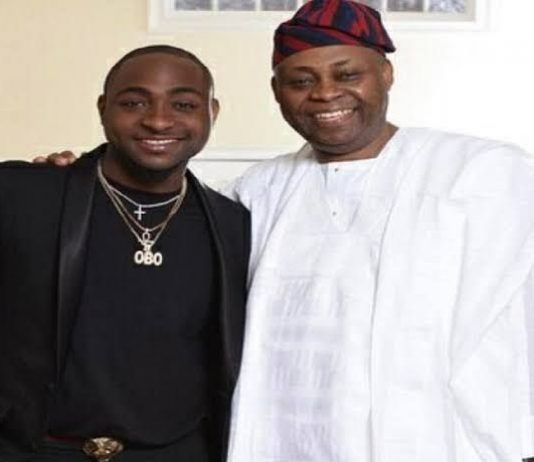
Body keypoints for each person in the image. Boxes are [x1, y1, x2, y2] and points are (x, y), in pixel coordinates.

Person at [35, 1, 534, 461]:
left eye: (347, 74)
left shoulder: (480, 174)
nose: (325, 93)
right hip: (279, 445)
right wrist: (70, 183)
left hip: (440, 444)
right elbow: (156, 232)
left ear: (386, 74)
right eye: (300, 80)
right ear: (277, 93)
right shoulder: (256, 192)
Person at [0, 45, 250, 462]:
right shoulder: (22, 195)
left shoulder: (233, 225)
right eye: (134, 103)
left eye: (184, 104)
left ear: (212, 112)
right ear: (103, 109)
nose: (158, 120)